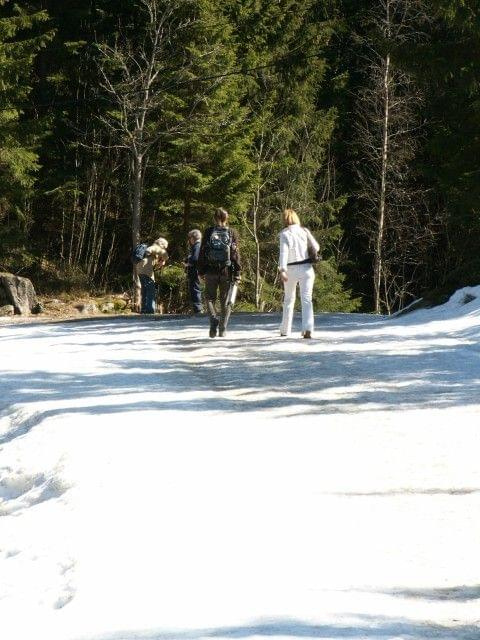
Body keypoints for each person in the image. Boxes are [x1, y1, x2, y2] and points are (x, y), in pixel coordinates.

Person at [198, 208, 241, 338]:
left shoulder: (209, 232)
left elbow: (202, 253)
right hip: (226, 271)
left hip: (211, 270)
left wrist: (201, 271)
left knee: (209, 298)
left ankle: (213, 320)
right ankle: (222, 329)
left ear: (214, 218)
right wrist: (238, 272)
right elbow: (235, 254)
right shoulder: (232, 232)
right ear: (227, 218)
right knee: (226, 301)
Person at [278, 209, 320, 338]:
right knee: (307, 300)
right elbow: (317, 247)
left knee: (289, 299)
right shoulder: (304, 231)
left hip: (290, 270)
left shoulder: (284, 234)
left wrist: (282, 270)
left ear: (284, 220)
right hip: (307, 268)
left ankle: (285, 330)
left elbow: (283, 253)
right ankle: (308, 329)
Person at [135, 237, 168, 314]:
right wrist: (164, 259)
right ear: (162, 244)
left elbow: (152, 262)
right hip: (146, 271)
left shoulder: (152, 248)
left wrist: (159, 263)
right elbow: (165, 255)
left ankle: (144, 310)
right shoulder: (156, 247)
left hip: (140, 269)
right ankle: (150, 310)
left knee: (144, 290)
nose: (165, 248)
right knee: (151, 290)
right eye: (165, 247)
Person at [184, 229, 203, 314]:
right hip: (196, 271)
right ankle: (197, 309)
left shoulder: (197, 246)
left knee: (195, 289)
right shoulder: (199, 245)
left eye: (190, 238)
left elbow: (195, 259)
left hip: (195, 272)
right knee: (195, 289)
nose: (189, 240)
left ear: (193, 238)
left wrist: (188, 263)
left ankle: (198, 310)